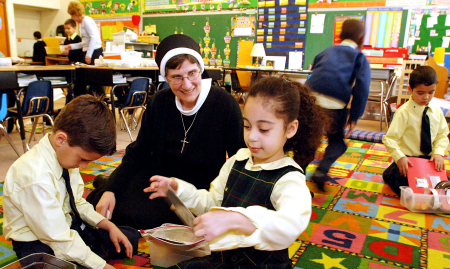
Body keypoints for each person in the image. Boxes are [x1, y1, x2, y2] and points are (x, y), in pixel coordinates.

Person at [145, 77, 329, 268]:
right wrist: (179, 190)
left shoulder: (289, 178)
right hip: (223, 259)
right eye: (247, 126)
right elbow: (212, 205)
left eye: (264, 129)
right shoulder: (238, 160)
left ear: (290, 129)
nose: (252, 137)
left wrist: (237, 219)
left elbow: (290, 224)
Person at [87, 34, 245, 230]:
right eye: (176, 77)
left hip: (197, 188)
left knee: (162, 220)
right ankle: (107, 184)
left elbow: (241, 158)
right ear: (166, 78)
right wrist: (111, 190)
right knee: (105, 202)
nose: (186, 85)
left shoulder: (224, 104)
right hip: (157, 180)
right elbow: (139, 152)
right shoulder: (160, 101)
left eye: (192, 74)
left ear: (201, 70)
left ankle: (106, 182)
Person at [3, 95, 140, 269]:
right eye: (83, 159)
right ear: (61, 139)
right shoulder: (34, 178)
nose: (83, 166)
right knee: (82, 261)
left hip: (67, 226)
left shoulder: (65, 155)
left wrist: (107, 225)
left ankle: (90, 248)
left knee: (127, 237)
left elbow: (77, 203)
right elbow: (59, 239)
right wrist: (102, 267)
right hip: (39, 243)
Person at [305, 19, 371, 191]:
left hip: (310, 99)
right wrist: (354, 116)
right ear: (361, 38)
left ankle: (297, 172)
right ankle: (322, 170)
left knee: (309, 139)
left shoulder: (325, 51)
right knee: (337, 142)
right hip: (334, 104)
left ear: (340, 35)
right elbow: (361, 88)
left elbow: (315, 74)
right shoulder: (359, 57)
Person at [382, 66, 449, 196]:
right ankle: (391, 172)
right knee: (409, 190)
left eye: (431, 92)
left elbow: (442, 134)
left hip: (430, 161)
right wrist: (400, 157)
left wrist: (439, 153)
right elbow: (390, 139)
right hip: (409, 162)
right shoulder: (403, 112)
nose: (426, 97)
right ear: (410, 89)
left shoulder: (436, 111)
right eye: (421, 93)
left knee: (443, 187)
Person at [65, 1, 104, 97]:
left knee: (90, 81)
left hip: (94, 52)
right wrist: (72, 46)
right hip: (92, 51)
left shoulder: (86, 20)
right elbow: (85, 42)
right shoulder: (84, 22)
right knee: (90, 81)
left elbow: (93, 38)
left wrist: (88, 55)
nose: (72, 17)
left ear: (75, 13)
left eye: (72, 15)